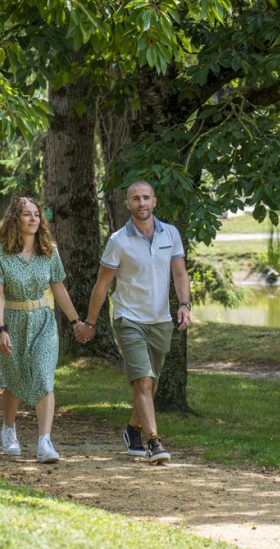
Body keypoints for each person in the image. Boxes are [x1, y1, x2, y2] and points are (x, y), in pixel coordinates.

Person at [76, 180, 191, 464]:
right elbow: (102, 285)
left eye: (146, 198)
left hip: (161, 319)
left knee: (150, 385)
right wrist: (90, 323)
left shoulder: (171, 234)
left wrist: (185, 305)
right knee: (143, 379)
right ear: (127, 204)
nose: (141, 203)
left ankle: (133, 429)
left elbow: (179, 274)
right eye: (136, 199)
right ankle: (154, 441)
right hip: (129, 318)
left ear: (155, 201)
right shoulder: (118, 240)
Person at [0, 196, 84, 464]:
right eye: (27, 214)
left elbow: (58, 288)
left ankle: (44, 442)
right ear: (15, 219)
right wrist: (0, 329)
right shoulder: (0, 254)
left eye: (37, 215)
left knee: (43, 375)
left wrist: (76, 322)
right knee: (14, 380)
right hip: (13, 321)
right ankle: (9, 429)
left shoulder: (49, 251)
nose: (33, 219)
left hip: (42, 321)